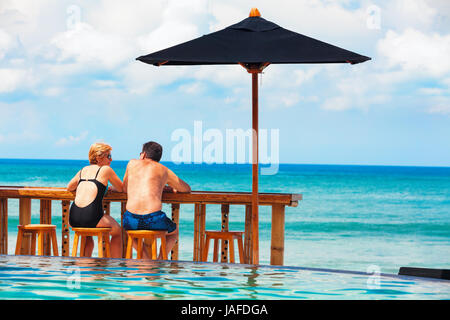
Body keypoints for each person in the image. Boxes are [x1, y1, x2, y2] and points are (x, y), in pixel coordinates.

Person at [123, 141, 191, 259]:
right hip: (153, 219)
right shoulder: (164, 170)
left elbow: (124, 188)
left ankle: (146, 259)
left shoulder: (131, 164)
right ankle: (160, 260)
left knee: (129, 232)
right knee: (174, 233)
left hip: (131, 219)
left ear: (143, 154)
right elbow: (186, 189)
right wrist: (166, 188)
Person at [67, 142, 123, 258]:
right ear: (98, 157)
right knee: (117, 232)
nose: (111, 160)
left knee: (87, 235)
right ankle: (115, 264)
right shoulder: (105, 170)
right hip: (91, 217)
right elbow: (121, 188)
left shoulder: (83, 170)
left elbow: (69, 187)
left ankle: (85, 264)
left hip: (74, 217)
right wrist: (110, 188)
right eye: (108, 156)